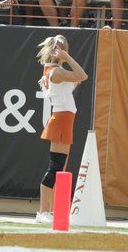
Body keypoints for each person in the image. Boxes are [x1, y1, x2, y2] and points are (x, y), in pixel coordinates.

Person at [34, 34, 88, 224]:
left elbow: (79, 78)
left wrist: (66, 59)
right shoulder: (56, 72)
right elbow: (83, 75)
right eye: (63, 48)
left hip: (65, 118)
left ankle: (57, 211)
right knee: (55, 167)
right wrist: (69, 58)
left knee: (60, 169)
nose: (66, 50)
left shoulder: (57, 70)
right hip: (61, 118)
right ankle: (43, 212)